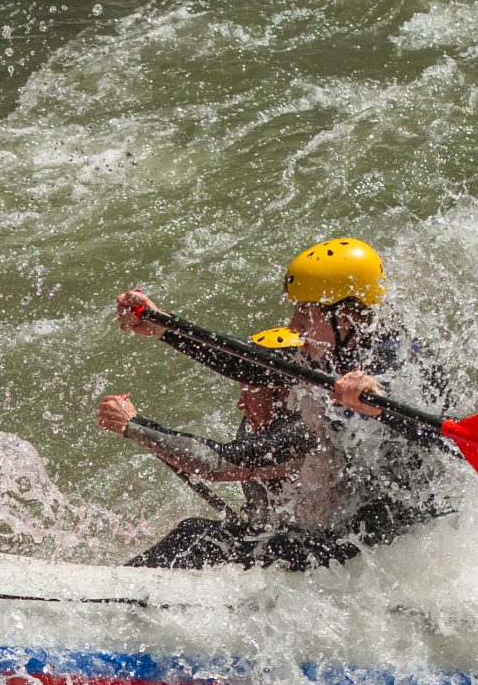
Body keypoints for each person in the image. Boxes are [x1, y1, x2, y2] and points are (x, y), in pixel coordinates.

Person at [113, 238, 455, 568]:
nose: (295, 324)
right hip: (345, 538)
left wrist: (376, 393)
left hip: (394, 540)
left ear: (347, 316)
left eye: (307, 312)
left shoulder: (402, 359)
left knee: (199, 539)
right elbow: (251, 364)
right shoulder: (327, 356)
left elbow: (430, 422)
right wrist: (164, 326)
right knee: (197, 534)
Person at [95, 327, 349, 569]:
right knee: (203, 533)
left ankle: (114, 590)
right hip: (282, 542)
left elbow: (215, 464)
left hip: (325, 555)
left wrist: (136, 426)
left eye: (249, 390)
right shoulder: (259, 426)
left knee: (195, 535)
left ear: (282, 393)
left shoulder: (303, 432)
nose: (240, 403)